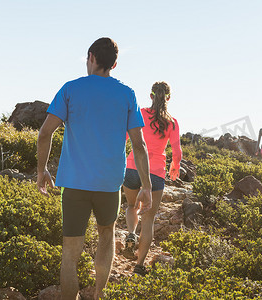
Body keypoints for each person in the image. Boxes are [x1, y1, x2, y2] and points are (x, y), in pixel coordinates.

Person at [36, 37, 152, 300]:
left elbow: (45, 134)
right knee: (106, 234)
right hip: (109, 184)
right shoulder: (127, 94)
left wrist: (42, 170)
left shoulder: (70, 89)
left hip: (75, 183)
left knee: (70, 250)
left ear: (90, 57)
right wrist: (146, 186)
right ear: (114, 64)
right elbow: (139, 144)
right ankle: (99, 295)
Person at [122, 81, 182, 276]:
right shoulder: (172, 122)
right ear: (169, 98)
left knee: (131, 206)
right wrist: (175, 166)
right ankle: (139, 266)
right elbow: (177, 152)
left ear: (151, 96)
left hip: (132, 167)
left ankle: (131, 232)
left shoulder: (140, 113)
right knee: (148, 219)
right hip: (155, 174)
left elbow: (124, 137)